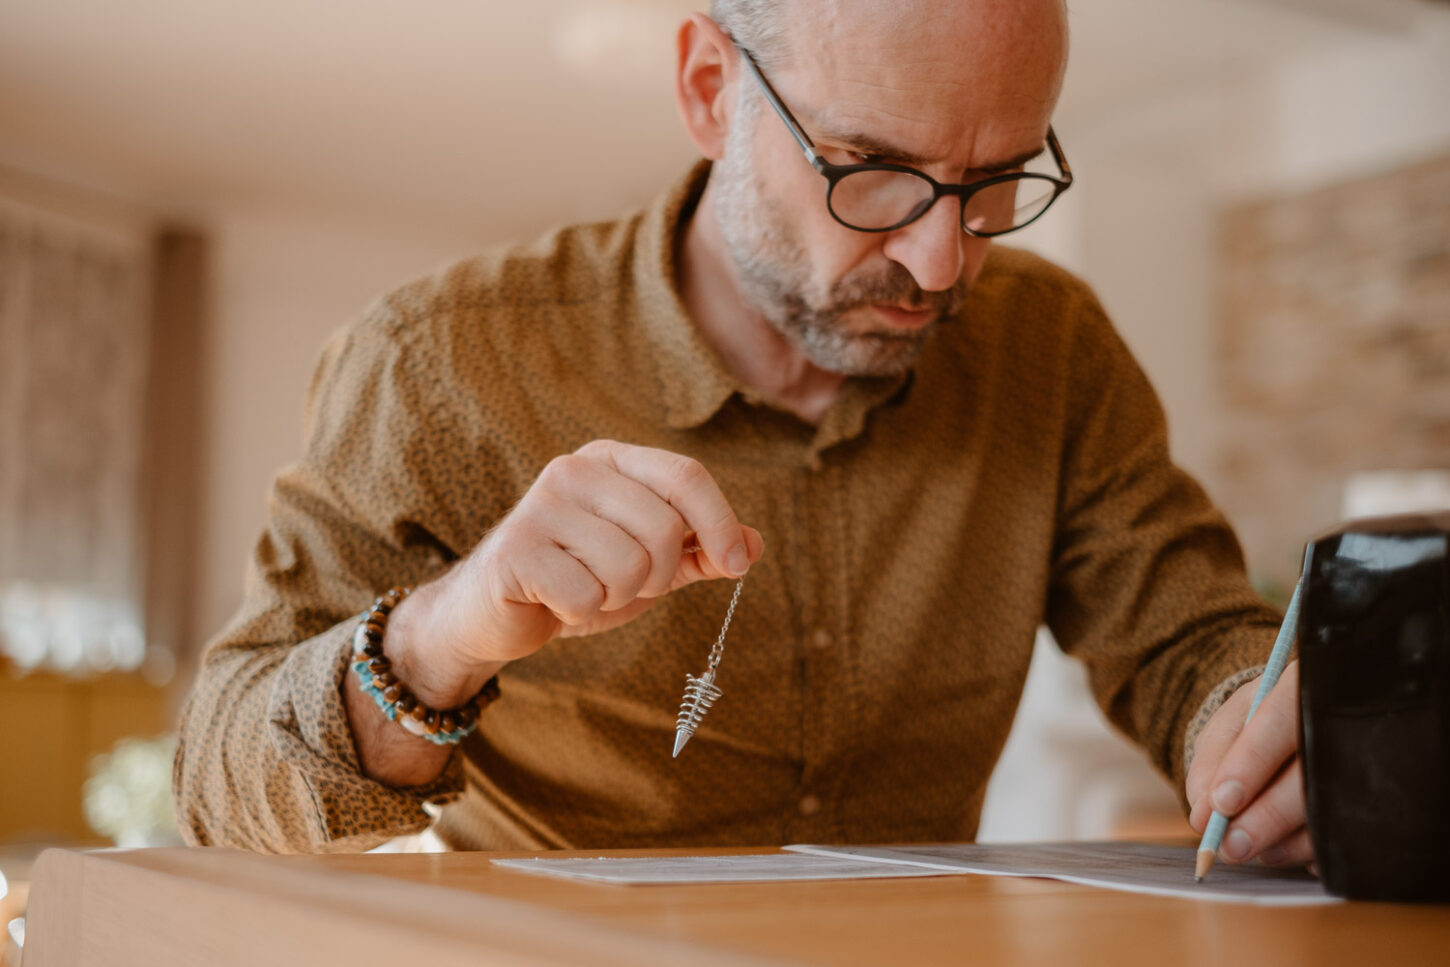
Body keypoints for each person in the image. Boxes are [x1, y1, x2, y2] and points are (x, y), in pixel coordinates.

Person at [175, 0, 1314, 871]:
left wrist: (1249, 727)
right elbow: (216, 790)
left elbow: (1186, 638)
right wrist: (442, 636)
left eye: (994, 180)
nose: (942, 262)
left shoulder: (1052, 348)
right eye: (873, 172)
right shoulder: (435, 363)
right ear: (712, 88)